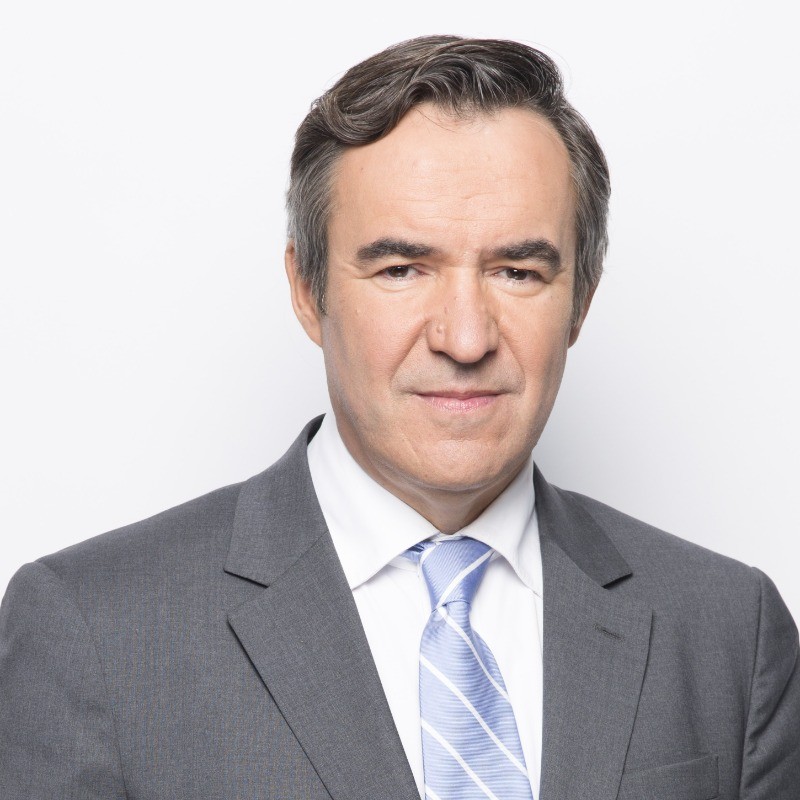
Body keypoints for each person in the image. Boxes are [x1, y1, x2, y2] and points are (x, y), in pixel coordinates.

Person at [1, 35, 797, 800]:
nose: (466, 338)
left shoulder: (731, 630)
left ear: (580, 299)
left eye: (518, 272)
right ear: (308, 290)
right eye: (402, 269)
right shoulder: (92, 630)